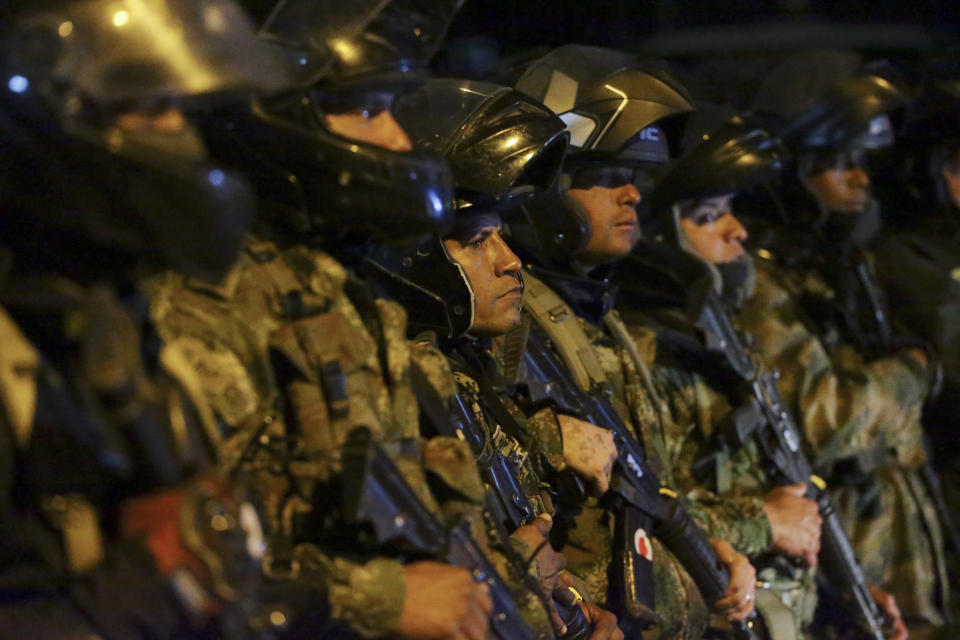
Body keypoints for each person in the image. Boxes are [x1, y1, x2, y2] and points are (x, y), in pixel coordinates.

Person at [145, 1, 560, 637]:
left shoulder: (334, 290)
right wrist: (378, 597)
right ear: (277, 118)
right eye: (368, 110)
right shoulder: (213, 301)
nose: (397, 141)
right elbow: (183, 559)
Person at [0, 0, 326, 637]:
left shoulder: (104, 316)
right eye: (151, 108)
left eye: (182, 108)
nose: (181, 138)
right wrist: (152, 584)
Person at [616, 106, 907, 639]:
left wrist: (846, 595)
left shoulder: (720, 338)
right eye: (707, 217)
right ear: (657, 236)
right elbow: (648, 515)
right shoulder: (643, 352)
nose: (738, 232)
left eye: (730, 211)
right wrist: (763, 522)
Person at [507, 45, 757, 640]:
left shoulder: (602, 319)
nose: (634, 197)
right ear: (546, 189)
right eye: (608, 179)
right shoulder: (509, 327)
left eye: (635, 180)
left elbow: (649, 494)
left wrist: (711, 546)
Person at [368, 76, 626, 640]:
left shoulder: (466, 371)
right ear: (417, 253)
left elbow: (528, 553)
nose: (512, 262)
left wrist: (574, 606)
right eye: (477, 238)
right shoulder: (391, 389)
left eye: (502, 235)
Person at [737, 50, 951, 628]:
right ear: (792, 168)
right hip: (845, 552)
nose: (860, 177)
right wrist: (912, 370)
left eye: (862, 160)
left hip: (892, 541)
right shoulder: (758, 278)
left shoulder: (828, 263)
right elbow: (821, 418)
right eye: (839, 161)